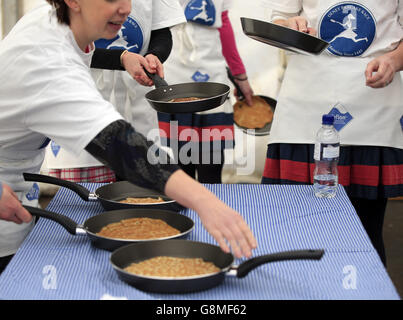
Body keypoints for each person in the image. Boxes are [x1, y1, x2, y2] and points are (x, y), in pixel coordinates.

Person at [0, 0, 257, 273]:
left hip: (16, 188)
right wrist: (204, 201)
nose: (125, 8)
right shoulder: (45, 60)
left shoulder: (55, 25)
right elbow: (120, 145)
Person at [260, 0, 403, 265]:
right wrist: (289, 26)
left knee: (365, 233)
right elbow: (276, 21)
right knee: (295, 230)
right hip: (306, 106)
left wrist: (393, 61)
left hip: (372, 109)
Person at [43, 0, 186, 183]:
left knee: (138, 189)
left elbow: (161, 32)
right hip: (85, 92)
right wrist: (121, 58)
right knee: (90, 199)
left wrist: (154, 55)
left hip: (136, 97)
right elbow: (66, 43)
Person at [157, 0, 255, 184]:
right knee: (181, 161)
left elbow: (223, 24)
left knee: (212, 161)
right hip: (175, 70)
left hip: (212, 74)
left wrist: (240, 76)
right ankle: (184, 209)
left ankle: (210, 211)